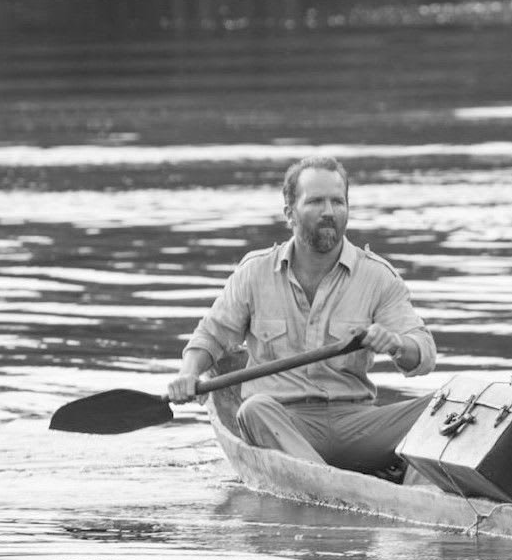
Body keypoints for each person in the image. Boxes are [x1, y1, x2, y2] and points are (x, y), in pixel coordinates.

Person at [166, 156, 436, 474]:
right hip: (279, 420)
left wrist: (396, 344)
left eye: (338, 202)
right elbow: (211, 336)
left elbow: (424, 353)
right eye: (316, 202)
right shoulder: (254, 272)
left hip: (355, 425)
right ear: (289, 214)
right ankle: (329, 481)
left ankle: (340, 479)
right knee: (253, 409)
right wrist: (188, 374)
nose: (329, 212)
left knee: (446, 404)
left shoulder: (378, 276)